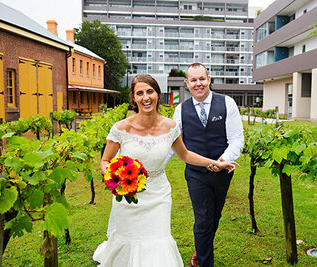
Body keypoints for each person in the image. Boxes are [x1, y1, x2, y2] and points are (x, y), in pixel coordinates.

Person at [93, 74, 237, 267]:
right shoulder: (121, 128)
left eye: (150, 91)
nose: (146, 97)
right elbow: (105, 160)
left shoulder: (170, 126)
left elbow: (185, 155)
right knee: (129, 239)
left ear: (158, 95)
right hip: (129, 196)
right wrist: (113, 177)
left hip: (159, 196)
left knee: (158, 240)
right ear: (134, 98)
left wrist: (216, 163)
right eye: (140, 93)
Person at [172, 63, 244, 267]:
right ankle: (204, 262)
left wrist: (221, 161)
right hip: (195, 173)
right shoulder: (181, 110)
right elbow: (173, 144)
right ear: (187, 83)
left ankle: (201, 247)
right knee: (203, 218)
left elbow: (237, 139)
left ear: (209, 79)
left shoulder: (227, 103)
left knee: (214, 216)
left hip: (222, 172)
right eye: (193, 80)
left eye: (201, 79)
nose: (198, 84)